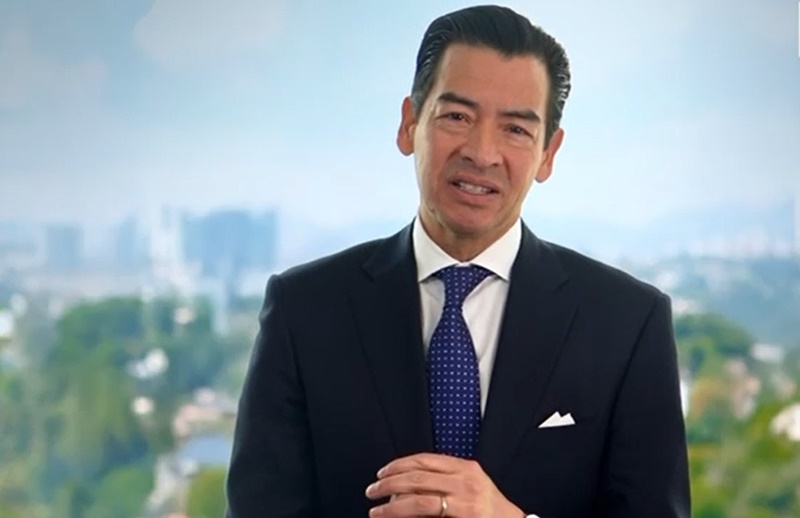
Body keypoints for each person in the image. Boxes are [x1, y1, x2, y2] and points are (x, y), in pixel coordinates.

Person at [225, 5, 691, 517]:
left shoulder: (627, 323)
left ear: (548, 153)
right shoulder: (305, 310)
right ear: (409, 124)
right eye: (457, 117)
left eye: (515, 129)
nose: (482, 152)